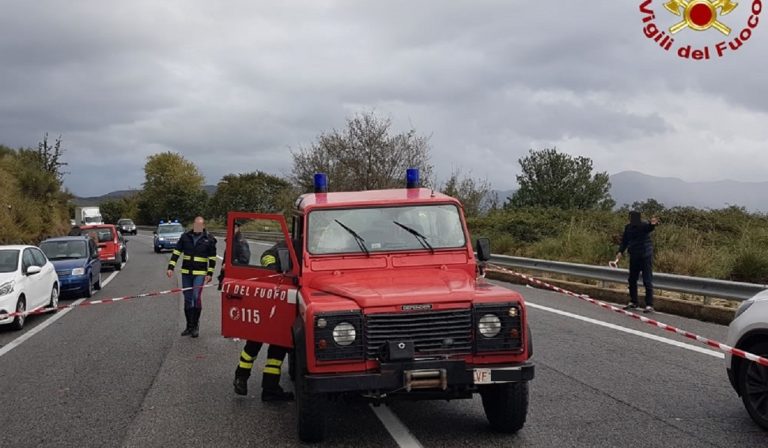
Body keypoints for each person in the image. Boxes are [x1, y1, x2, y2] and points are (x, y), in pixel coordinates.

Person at [233, 240, 294, 402]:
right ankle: (241, 377)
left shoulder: (312, 249)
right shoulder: (289, 245)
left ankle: (270, 388)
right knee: (255, 341)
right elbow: (266, 256)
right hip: (270, 299)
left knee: (278, 349)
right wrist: (273, 268)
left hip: (286, 305)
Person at [167, 216, 217, 338]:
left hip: (199, 274)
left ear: (204, 226)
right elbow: (177, 252)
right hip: (186, 273)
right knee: (188, 298)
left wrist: (209, 273)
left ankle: (195, 326)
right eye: (196, 224)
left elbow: (212, 258)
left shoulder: (209, 239)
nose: (197, 226)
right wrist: (170, 267)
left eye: (200, 224)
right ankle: (189, 326)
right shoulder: (185, 237)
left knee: (196, 296)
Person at [614, 211, 659, 313]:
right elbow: (624, 241)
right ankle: (634, 302)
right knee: (632, 279)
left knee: (647, 280)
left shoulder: (643, 225)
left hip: (645, 255)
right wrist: (620, 251)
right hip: (634, 255)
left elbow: (650, 228)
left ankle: (649, 305)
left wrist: (653, 224)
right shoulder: (628, 228)